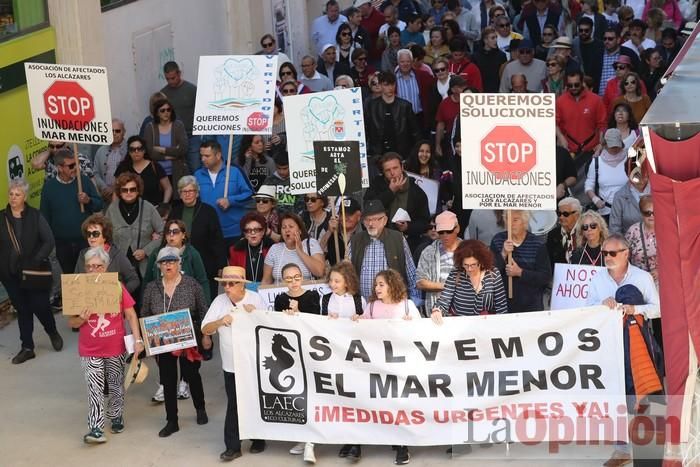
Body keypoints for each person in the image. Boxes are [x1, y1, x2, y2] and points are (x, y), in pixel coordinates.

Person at [586, 233, 660, 467]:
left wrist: (634, 309)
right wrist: (600, 307)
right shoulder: (596, 280)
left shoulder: (642, 277)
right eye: (604, 253)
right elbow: (585, 312)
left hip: (639, 344)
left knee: (642, 393)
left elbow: (658, 309)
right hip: (609, 345)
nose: (607, 257)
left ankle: (647, 451)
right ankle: (621, 450)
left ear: (626, 253)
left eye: (613, 253)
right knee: (614, 396)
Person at [67, 247, 143, 444]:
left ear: (106, 267)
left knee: (116, 385)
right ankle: (96, 427)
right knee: (95, 388)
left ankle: (116, 415)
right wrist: (81, 318)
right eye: (89, 266)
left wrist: (138, 339)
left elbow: (131, 314)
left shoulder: (116, 286)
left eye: (98, 266)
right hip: (89, 349)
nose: (93, 270)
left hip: (114, 347)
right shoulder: (78, 288)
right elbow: (72, 323)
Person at [141, 246, 209, 438]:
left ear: (179, 263)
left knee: (192, 374)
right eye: (164, 262)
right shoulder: (152, 288)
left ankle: (200, 408)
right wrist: (146, 339)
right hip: (163, 340)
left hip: (187, 338)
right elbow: (145, 314)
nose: (168, 265)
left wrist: (206, 335)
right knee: (168, 379)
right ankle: (172, 421)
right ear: (158, 266)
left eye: (172, 261)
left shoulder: (192, 284)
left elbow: (204, 310)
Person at [201, 266, 267, 461]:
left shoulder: (255, 298)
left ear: (242, 285)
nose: (227, 287)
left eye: (231, 283)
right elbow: (205, 327)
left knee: (255, 399)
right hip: (231, 364)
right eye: (224, 284)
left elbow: (270, 325)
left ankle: (258, 438)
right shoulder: (219, 301)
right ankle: (233, 446)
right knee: (234, 403)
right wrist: (221, 321)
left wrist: (255, 314)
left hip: (254, 361)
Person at [358, 269, 419, 465]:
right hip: (378, 364)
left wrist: (413, 325)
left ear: (392, 285)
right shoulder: (372, 307)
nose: (377, 288)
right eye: (376, 284)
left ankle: (402, 445)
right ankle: (394, 439)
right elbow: (359, 327)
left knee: (399, 404)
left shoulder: (407, 306)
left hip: (401, 366)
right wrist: (354, 320)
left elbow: (422, 332)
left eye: (381, 284)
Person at [1, 179, 61, 365]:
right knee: (23, 309)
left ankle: (51, 330)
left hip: (33, 272)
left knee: (40, 306)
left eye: (17, 194)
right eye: (11, 194)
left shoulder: (35, 216)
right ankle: (27, 347)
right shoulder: (1, 217)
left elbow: (49, 241)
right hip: (10, 274)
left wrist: (35, 261)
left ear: (24, 196)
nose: (13, 197)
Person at [41, 148, 103, 276]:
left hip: (85, 240)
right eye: (71, 166)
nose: (75, 168)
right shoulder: (49, 187)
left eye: (76, 164)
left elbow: (99, 205)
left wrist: (88, 200)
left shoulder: (84, 181)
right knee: (70, 277)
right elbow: (45, 216)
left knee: (89, 273)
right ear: (59, 168)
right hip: (62, 244)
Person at [348, 199, 420, 303]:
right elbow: (347, 273)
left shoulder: (398, 239)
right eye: (367, 220)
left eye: (375, 219)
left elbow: (411, 273)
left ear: (385, 220)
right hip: (364, 306)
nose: (371, 224)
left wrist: (414, 302)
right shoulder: (356, 240)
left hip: (393, 305)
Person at [168, 176, 227, 301]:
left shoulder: (208, 211)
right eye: (184, 191)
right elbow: (168, 236)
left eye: (191, 191)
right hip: (181, 264)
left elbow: (217, 239)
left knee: (206, 300)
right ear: (179, 194)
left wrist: (221, 265)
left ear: (197, 193)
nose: (188, 194)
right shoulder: (175, 212)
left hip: (207, 264)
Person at [195, 140, 254, 250]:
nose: (203, 159)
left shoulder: (235, 171)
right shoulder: (197, 174)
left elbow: (250, 195)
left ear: (218, 155)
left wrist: (230, 201)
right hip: (208, 233)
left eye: (207, 156)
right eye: (201, 156)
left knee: (234, 267)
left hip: (233, 233)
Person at [365, 152, 430, 250]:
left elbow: (424, 222)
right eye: (388, 170)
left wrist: (408, 227)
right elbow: (368, 207)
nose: (392, 173)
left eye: (395, 168)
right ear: (383, 172)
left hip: (407, 243)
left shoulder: (416, 191)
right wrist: (390, 192)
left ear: (402, 167)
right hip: (379, 240)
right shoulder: (376, 185)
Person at [430, 238, 508, 320]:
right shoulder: (455, 274)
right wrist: (437, 311)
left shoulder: (493, 274)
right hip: (461, 325)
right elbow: (444, 300)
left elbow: (501, 306)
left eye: (473, 265)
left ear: (481, 261)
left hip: (487, 326)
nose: (469, 269)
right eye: (466, 265)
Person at [106, 173, 164, 279]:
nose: (129, 193)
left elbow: (164, 233)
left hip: (144, 267)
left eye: (132, 189)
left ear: (138, 191)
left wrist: (146, 251)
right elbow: (105, 236)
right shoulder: (112, 209)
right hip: (119, 268)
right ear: (119, 191)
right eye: (125, 190)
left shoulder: (148, 208)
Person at [490, 210, 551, 312]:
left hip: (530, 306)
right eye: (507, 219)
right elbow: (489, 273)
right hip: (502, 305)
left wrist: (520, 272)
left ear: (525, 222)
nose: (510, 224)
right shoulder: (498, 240)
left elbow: (545, 277)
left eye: (515, 220)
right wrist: (503, 254)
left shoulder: (537, 244)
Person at [75, 213, 139, 295]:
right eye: (89, 234)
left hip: (112, 303)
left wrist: (120, 294)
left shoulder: (117, 255)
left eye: (95, 234)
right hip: (89, 302)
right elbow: (76, 280)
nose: (91, 237)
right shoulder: (82, 254)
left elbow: (134, 280)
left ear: (105, 236)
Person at [555, 71, 606, 169]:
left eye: (576, 84)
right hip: (569, 150)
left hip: (592, 151)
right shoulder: (560, 101)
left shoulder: (596, 100)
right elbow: (555, 123)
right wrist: (560, 137)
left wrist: (601, 144)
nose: (573, 87)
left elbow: (602, 124)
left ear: (582, 82)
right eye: (570, 85)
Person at [364, 71, 420, 160]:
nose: (390, 88)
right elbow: (366, 130)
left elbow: (415, 131)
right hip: (378, 153)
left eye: (392, 84)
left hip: (401, 152)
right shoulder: (371, 106)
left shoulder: (405, 106)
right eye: (386, 85)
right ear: (381, 85)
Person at [416, 210, 462, 313]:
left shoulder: (469, 250)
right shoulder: (429, 252)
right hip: (436, 312)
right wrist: (448, 286)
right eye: (441, 232)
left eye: (449, 231)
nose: (445, 235)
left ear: (457, 228)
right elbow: (420, 282)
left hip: (464, 311)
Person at [262, 213, 325, 284]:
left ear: (300, 231)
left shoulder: (311, 244)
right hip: (280, 293)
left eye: (291, 227)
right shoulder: (274, 249)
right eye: (284, 227)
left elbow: (320, 272)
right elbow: (266, 280)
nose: (287, 230)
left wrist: (300, 252)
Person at [161, 61, 200, 174]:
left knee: (195, 166)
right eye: (167, 79)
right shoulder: (164, 94)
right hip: (174, 138)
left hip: (192, 135)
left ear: (179, 74)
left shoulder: (192, 90)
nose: (170, 81)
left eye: (173, 78)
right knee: (179, 170)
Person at [143, 95, 189, 190]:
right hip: (158, 173)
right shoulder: (150, 127)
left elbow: (183, 149)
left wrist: (162, 149)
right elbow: (150, 152)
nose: (166, 113)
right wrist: (170, 155)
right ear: (157, 113)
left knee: (178, 200)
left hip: (177, 171)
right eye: (162, 110)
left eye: (168, 110)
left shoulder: (178, 125)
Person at [115, 135, 172, 206]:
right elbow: (116, 191)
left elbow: (168, 188)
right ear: (129, 152)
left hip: (153, 210)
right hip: (128, 210)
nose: (136, 151)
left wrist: (164, 205)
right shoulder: (123, 167)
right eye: (132, 149)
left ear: (144, 150)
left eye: (139, 148)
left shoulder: (155, 166)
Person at [585, 129, 629, 220]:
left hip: (628, 209)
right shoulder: (596, 162)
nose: (615, 149)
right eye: (612, 146)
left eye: (617, 145)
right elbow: (589, 185)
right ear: (604, 145)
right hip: (606, 210)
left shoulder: (629, 160)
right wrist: (595, 200)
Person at [228, 212, 274, 290]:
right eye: (248, 230)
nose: (253, 233)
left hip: (267, 289)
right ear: (244, 234)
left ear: (263, 232)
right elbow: (234, 278)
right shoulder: (235, 250)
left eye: (256, 230)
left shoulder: (272, 248)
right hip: (243, 291)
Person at [609, 159, 650, 235]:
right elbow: (614, 228)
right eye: (636, 174)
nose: (641, 177)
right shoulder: (620, 196)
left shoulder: (658, 191)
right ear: (628, 174)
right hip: (630, 244)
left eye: (644, 172)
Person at [625, 195, 657, 286]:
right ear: (642, 213)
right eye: (647, 213)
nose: (651, 216)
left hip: (662, 280)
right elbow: (624, 256)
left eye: (655, 212)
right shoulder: (633, 231)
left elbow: (674, 257)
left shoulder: (667, 231)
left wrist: (660, 271)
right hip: (638, 281)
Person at [435, 75, 468, 158]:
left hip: (468, 138)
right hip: (451, 141)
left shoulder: (471, 101)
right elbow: (440, 125)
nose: (464, 88)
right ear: (453, 89)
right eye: (460, 86)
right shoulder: (445, 103)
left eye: (465, 85)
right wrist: (438, 145)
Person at [93, 119, 127, 197]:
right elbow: (95, 173)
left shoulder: (129, 149)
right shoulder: (101, 150)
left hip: (124, 193)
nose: (114, 133)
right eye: (111, 131)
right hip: (105, 195)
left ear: (124, 132)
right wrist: (104, 188)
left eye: (117, 131)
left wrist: (114, 188)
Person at [326, 198, 364, 266]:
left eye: (349, 214)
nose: (345, 218)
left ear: (358, 216)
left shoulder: (366, 234)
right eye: (342, 214)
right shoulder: (333, 235)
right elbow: (319, 253)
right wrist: (329, 232)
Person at [546, 197, 582, 268]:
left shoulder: (586, 232)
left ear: (576, 215)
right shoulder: (553, 234)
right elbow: (549, 262)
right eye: (559, 213)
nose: (561, 217)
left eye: (565, 214)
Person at [472, 26, 508, 93]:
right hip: (481, 92)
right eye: (492, 38)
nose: (495, 40)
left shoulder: (501, 55)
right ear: (485, 40)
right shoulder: (475, 57)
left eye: (496, 37)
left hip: (498, 91)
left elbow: (504, 76)